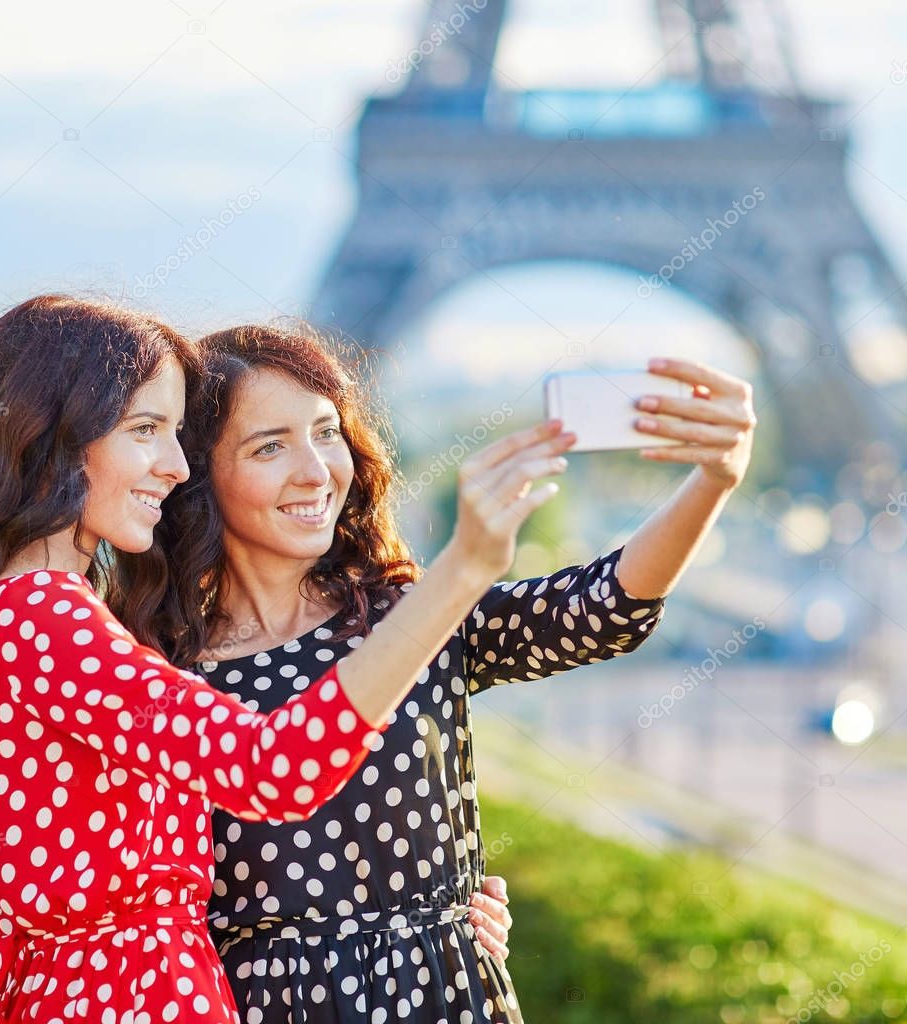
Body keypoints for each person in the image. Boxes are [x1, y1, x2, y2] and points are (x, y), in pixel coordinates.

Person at [0, 296, 573, 1024]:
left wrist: (425, 917)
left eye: (177, 434)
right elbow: (272, 766)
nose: (178, 467)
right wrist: (459, 573)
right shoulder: (40, 617)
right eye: (146, 430)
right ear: (50, 436)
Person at [130, 322, 755, 1022]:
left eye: (327, 432)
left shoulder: (408, 617)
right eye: (270, 446)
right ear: (198, 473)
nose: (316, 470)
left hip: (443, 997)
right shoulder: (154, 670)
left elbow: (599, 610)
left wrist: (713, 481)